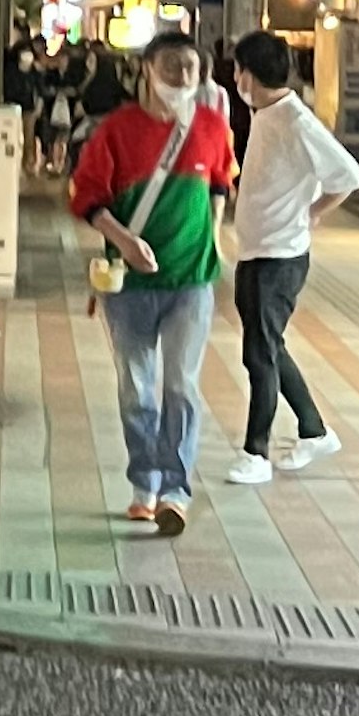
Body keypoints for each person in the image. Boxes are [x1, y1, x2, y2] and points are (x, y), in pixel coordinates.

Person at [67, 26, 235, 535]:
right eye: (171, 67)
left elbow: (222, 182)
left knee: (181, 384)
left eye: (191, 68)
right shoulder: (117, 131)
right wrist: (123, 241)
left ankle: (175, 490)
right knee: (136, 389)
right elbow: (87, 199)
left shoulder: (211, 126)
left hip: (191, 280)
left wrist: (215, 235)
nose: (182, 77)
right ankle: (144, 481)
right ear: (147, 70)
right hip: (130, 289)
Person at [223, 31, 359, 480]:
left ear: (249, 74)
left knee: (259, 354)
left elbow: (348, 174)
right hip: (257, 250)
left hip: (278, 257)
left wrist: (312, 213)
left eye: (239, 70)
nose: (236, 78)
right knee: (266, 348)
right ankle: (315, 431)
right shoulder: (265, 113)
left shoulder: (296, 121)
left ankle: (255, 453)